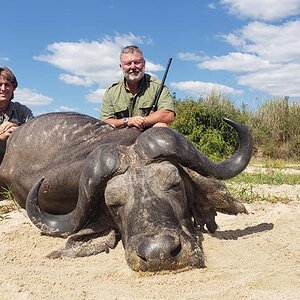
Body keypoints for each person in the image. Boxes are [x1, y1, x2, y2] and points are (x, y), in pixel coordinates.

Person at [100, 45, 175, 129]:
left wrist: (143, 121)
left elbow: (168, 114)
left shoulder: (158, 87)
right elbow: (105, 122)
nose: (133, 67)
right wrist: (127, 121)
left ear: (143, 64)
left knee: (161, 126)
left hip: (148, 136)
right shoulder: (111, 91)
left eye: (137, 62)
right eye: (128, 63)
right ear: (121, 67)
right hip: (121, 136)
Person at [0, 66, 33, 161]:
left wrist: (17, 131)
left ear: (13, 88)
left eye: (7, 85)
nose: (3, 89)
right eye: (0, 84)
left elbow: (33, 134)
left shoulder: (22, 110)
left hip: (15, 165)